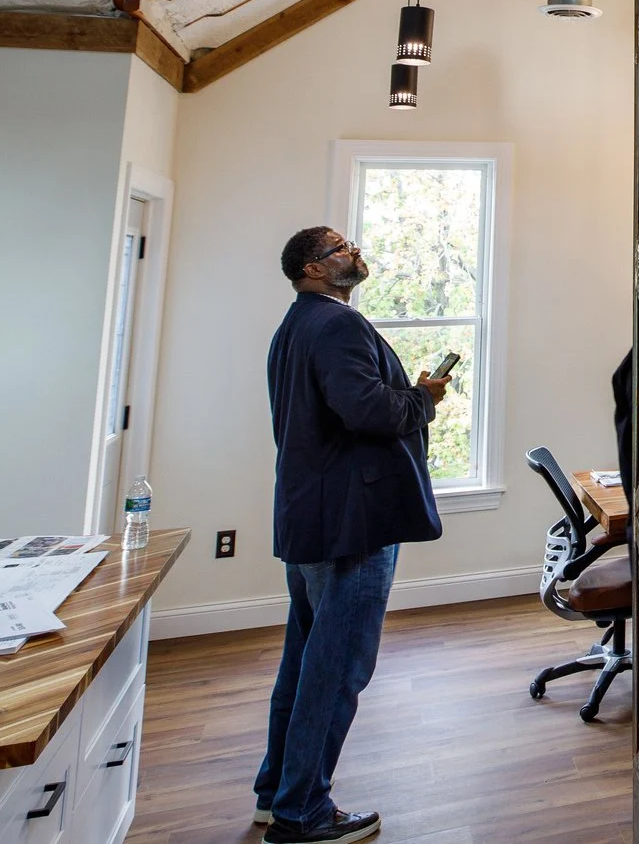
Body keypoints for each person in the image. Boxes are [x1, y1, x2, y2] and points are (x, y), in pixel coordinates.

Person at [254, 226, 448, 844]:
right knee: (337, 670)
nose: (354, 252)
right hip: (350, 524)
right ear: (312, 269)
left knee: (305, 663)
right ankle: (303, 814)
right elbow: (365, 410)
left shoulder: (296, 326)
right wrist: (423, 396)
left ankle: (275, 793)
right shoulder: (336, 325)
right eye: (339, 248)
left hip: (311, 515)